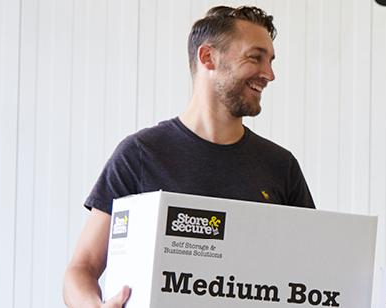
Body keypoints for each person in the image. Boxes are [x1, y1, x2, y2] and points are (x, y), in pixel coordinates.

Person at [62, 6, 315, 308]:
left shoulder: (281, 166)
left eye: (271, 61)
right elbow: (82, 269)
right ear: (208, 57)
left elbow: (312, 275)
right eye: (255, 57)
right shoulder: (140, 155)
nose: (269, 74)